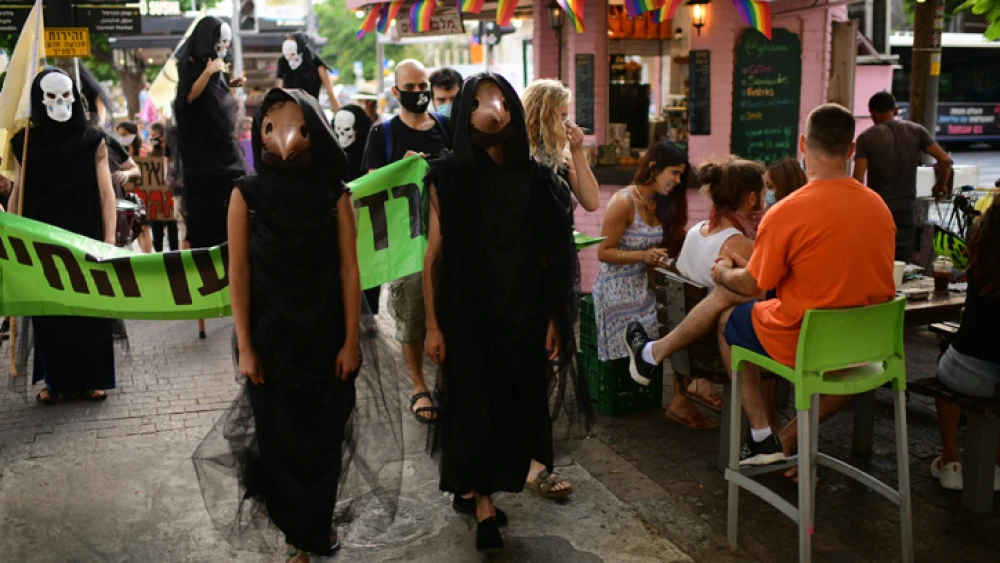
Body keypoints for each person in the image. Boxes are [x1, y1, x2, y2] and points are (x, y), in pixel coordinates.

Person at [627, 104, 897, 466]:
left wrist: (723, 273)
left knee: (729, 320)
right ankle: (782, 440)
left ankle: (760, 433)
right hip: (866, 345)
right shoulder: (879, 207)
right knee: (849, 365)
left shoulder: (787, 211)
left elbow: (753, 283)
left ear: (803, 145)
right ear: (851, 149)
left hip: (804, 342)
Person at [197, 88, 402, 562]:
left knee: (326, 435)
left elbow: (350, 269)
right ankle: (296, 534)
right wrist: (246, 346)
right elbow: (239, 272)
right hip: (270, 339)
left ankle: (317, 521)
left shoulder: (335, 194)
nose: (284, 136)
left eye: (295, 125)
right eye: (270, 126)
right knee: (280, 439)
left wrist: (351, 340)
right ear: (259, 134)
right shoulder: (245, 194)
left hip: (327, 335)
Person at [423, 72, 584, 552]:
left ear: (513, 109)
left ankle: (474, 486)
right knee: (473, 407)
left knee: (514, 405)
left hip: (522, 313)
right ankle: (484, 508)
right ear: (464, 114)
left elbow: (552, 255)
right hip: (465, 314)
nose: (491, 110)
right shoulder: (448, 175)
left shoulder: (537, 178)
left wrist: (555, 318)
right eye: (478, 102)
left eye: (499, 101)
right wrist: (432, 324)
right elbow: (433, 257)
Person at [7, 69, 118, 404]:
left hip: (86, 234)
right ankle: (54, 380)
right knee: (49, 311)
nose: (60, 103)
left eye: (65, 95)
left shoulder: (92, 139)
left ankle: (94, 378)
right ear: (39, 101)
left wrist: (109, 241)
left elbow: (106, 194)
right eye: (52, 96)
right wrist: (10, 238)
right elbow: (17, 192)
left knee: (90, 307)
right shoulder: (24, 142)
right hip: (41, 238)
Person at [591, 142, 719, 428]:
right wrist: (643, 256)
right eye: (674, 173)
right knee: (679, 322)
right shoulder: (624, 202)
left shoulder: (662, 203)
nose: (677, 181)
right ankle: (686, 394)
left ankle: (686, 392)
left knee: (688, 313)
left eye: (681, 175)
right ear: (653, 168)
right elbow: (603, 252)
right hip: (616, 288)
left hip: (647, 283)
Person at [362, 59, 450, 424]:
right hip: (406, 241)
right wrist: (400, 167)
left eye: (423, 85)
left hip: (448, 235)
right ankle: (418, 385)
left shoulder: (445, 127)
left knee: (449, 307)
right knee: (412, 312)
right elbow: (372, 183)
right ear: (396, 92)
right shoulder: (382, 133)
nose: (418, 93)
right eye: (410, 87)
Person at [930, 197, 1000, 490]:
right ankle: (995, 466)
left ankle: (951, 462)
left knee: (945, 359)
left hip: (969, 371)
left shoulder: (982, 256)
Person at [173, 16, 246, 255]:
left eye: (226, 42)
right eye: (220, 41)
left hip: (222, 149)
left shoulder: (216, 65)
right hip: (201, 157)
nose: (224, 47)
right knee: (205, 210)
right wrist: (207, 72)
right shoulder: (192, 64)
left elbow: (214, 91)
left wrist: (231, 83)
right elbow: (187, 98)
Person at [853, 91, 952, 262]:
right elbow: (945, 160)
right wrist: (940, 185)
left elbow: (859, 179)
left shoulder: (866, 138)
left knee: (878, 259)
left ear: (872, 113)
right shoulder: (917, 131)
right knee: (903, 263)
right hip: (907, 210)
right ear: (896, 110)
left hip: (879, 210)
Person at [522, 79, 600, 213]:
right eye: (562, 116)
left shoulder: (562, 157)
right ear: (543, 117)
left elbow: (592, 203)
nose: (567, 123)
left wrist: (577, 152)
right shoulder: (518, 151)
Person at [332, 104, 380, 313]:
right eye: (338, 130)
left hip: (367, 227)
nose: (342, 136)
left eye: (347, 130)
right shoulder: (330, 156)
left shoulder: (370, 155)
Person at [277, 32, 340, 111]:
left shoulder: (317, 67)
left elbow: (331, 94)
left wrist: (339, 114)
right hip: (290, 112)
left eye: (292, 54)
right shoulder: (285, 66)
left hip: (311, 111)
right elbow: (280, 92)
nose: (290, 60)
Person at [147, 122, 180, 252]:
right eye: (151, 135)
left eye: (155, 135)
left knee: (173, 233)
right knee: (157, 234)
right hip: (156, 199)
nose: (152, 138)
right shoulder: (151, 155)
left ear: (162, 136)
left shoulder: (172, 155)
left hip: (170, 198)